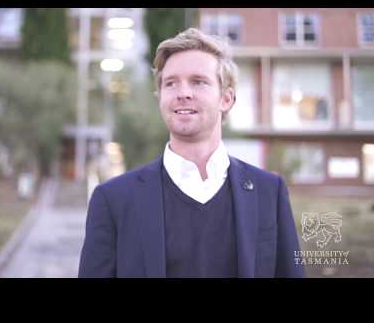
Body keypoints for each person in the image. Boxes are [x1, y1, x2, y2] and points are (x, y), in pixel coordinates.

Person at [78, 28, 305, 278]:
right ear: (160, 97)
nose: (183, 93)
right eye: (171, 83)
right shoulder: (112, 201)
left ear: (226, 99)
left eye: (198, 81)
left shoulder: (269, 193)